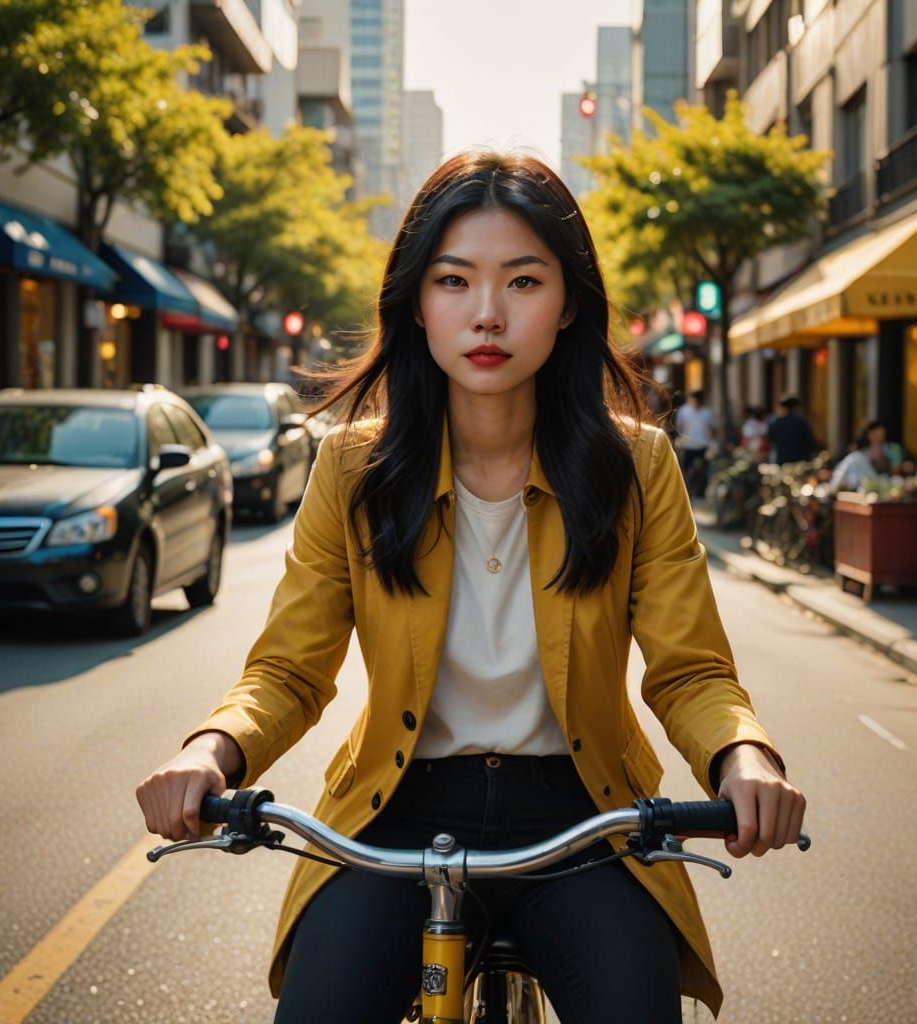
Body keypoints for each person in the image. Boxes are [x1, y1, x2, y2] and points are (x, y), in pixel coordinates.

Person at [136, 152, 805, 1024]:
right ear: (417, 302)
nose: (488, 312)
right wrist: (210, 750)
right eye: (454, 280)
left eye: (523, 281)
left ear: (569, 303)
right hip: (395, 809)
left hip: (588, 817)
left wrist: (742, 756)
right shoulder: (351, 468)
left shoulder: (637, 464)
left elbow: (690, 671)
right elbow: (289, 669)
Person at [829, 420, 905, 491]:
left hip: (883, 482)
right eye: (874, 433)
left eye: (879, 433)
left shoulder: (893, 449)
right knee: (854, 459)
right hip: (863, 482)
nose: (877, 436)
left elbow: (895, 470)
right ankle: (835, 486)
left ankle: (834, 486)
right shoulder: (863, 451)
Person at [673, 388, 716, 496]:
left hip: (702, 446)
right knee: (687, 470)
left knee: (703, 470)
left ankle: (701, 492)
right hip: (688, 446)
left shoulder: (707, 413)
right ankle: (688, 491)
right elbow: (679, 427)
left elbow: (710, 429)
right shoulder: (684, 411)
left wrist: (712, 444)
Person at [767, 392, 815, 464]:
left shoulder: (776, 423)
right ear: (796, 407)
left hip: (782, 460)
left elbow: (771, 440)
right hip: (799, 461)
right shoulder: (801, 422)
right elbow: (810, 443)